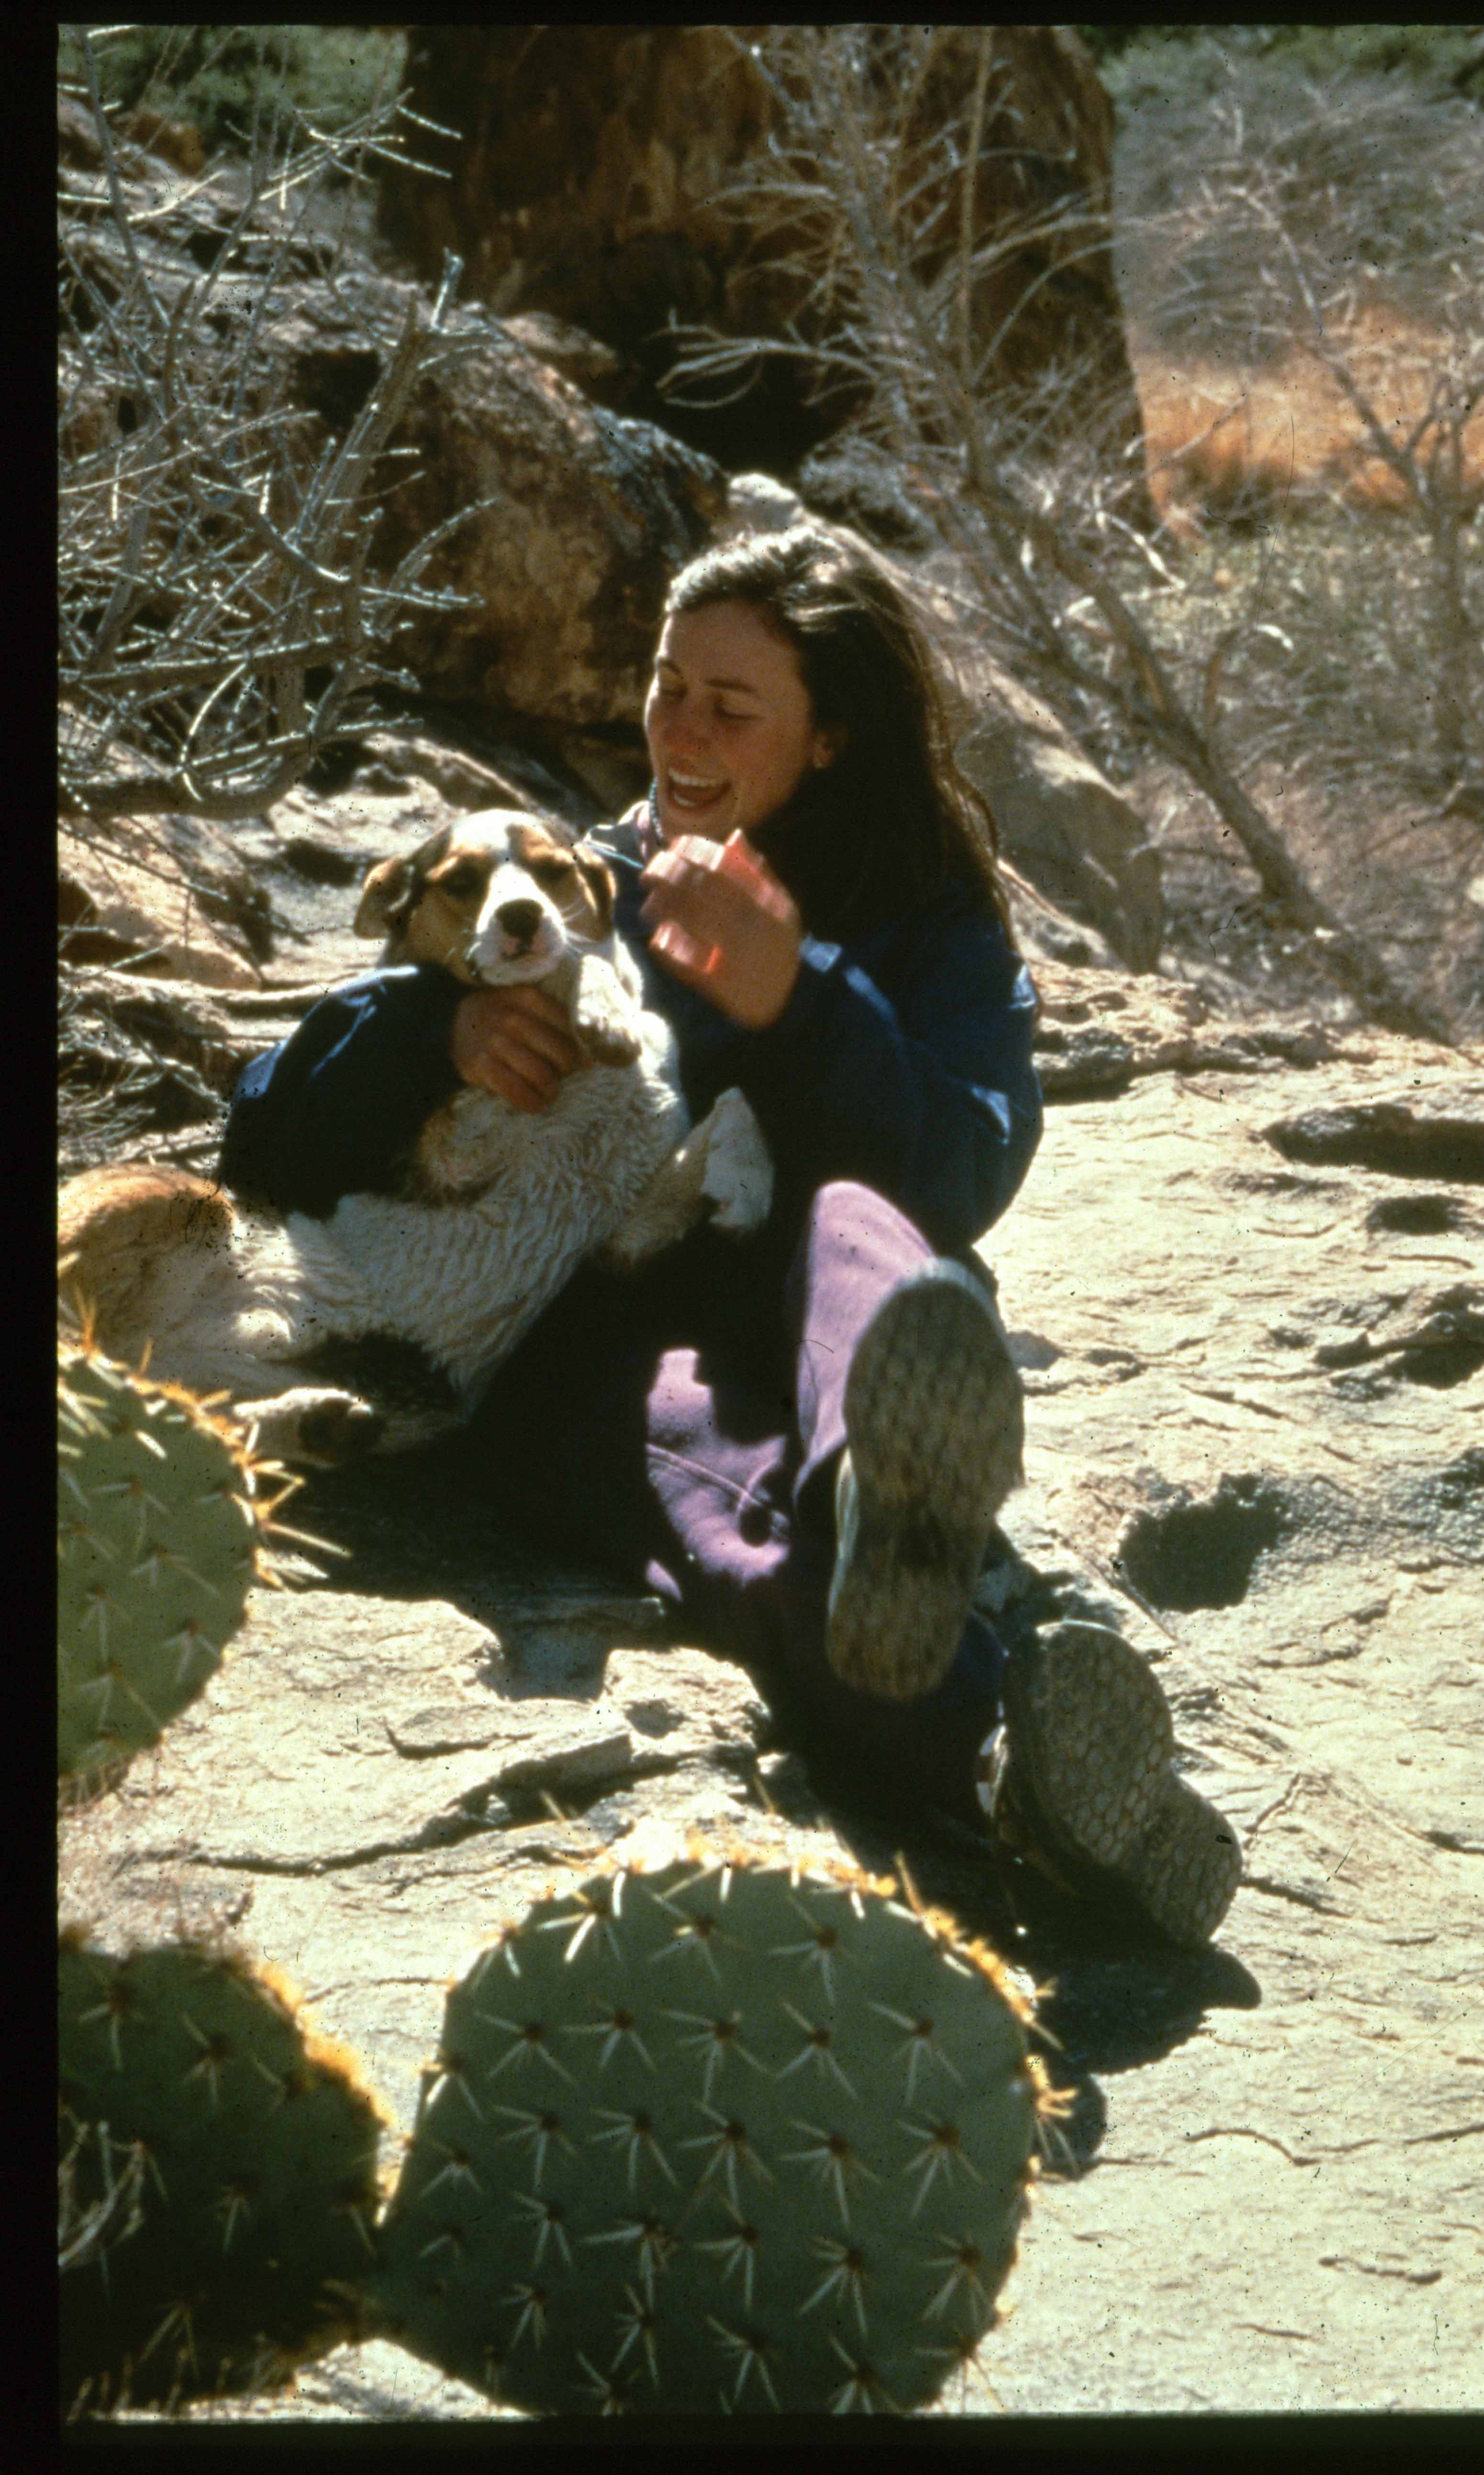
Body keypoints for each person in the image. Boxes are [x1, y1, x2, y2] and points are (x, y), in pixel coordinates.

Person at [220, 524, 1239, 1945]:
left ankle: (879, 1484)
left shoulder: (929, 920)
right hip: (589, 1334)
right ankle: (1003, 1762)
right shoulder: (568, 886)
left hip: (824, 1299)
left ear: (829, 739)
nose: (678, 729)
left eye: (730, 704)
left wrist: (801, 998)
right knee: (733, 1532)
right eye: (664, 684)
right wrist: (431, 1037)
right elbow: (261, 1133)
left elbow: (972, 1162)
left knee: (870, 1232)